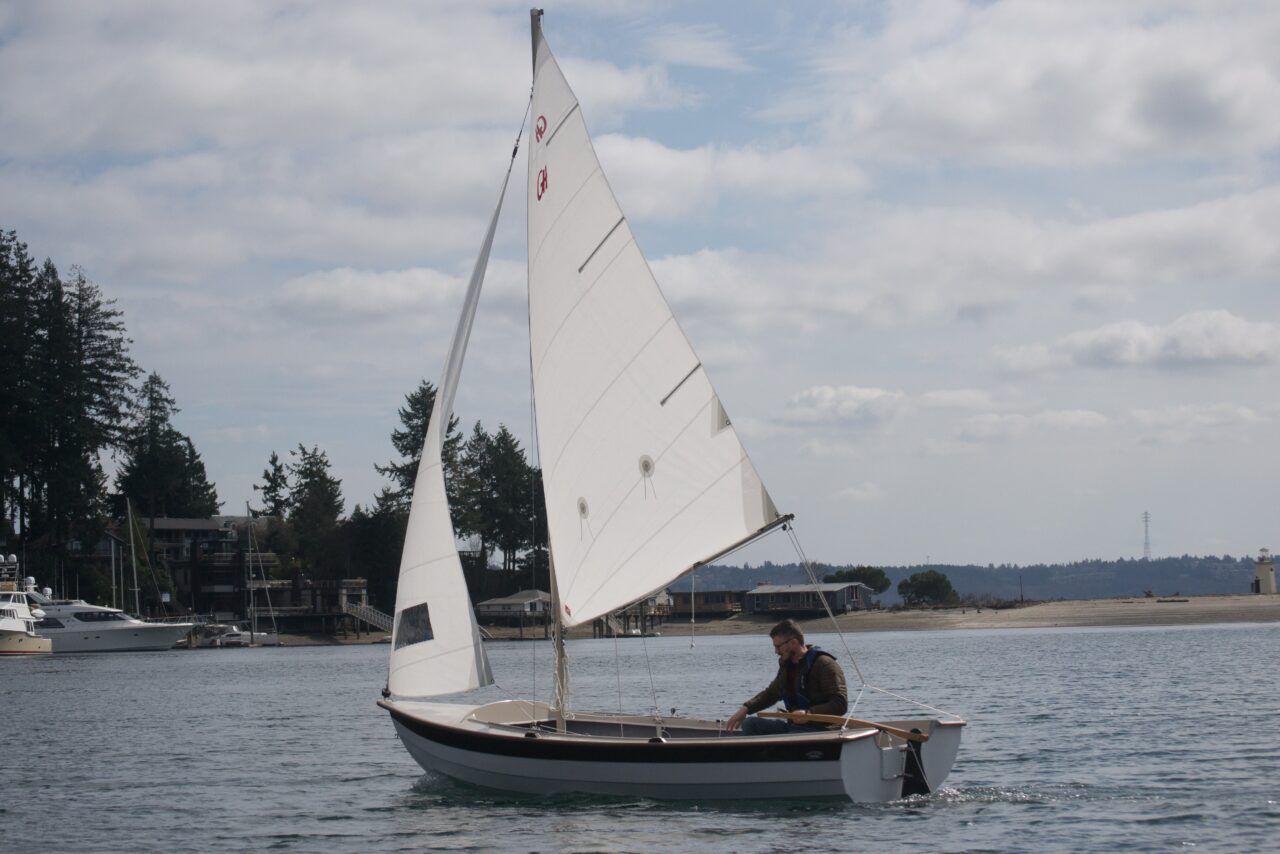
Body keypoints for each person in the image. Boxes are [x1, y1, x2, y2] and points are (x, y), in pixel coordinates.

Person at [725, 618, 847, 735]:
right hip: (793, 727)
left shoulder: (824, 664)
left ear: (793, 642)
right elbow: (771, 694)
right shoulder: (786, 666)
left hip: (820, 729)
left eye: (778, 646)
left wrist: (809, 713)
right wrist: (746, 708)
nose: (776, 652)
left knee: (794, 734)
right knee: (750, 724)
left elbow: (840, 704)